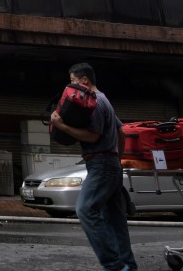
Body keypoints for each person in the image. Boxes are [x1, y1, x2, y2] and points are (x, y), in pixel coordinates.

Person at [49, 63, 136, 271]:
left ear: (84, 81)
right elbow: (121, 131)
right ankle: (127, 266)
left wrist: (62, 126)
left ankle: (113, 265)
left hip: (101, 164)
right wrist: (118, 160)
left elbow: (93, 136)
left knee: (85, 210)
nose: (71, 87)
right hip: (110, 163)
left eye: (73, 81)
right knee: (115, 220)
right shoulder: (105, 100)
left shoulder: (95, 103)